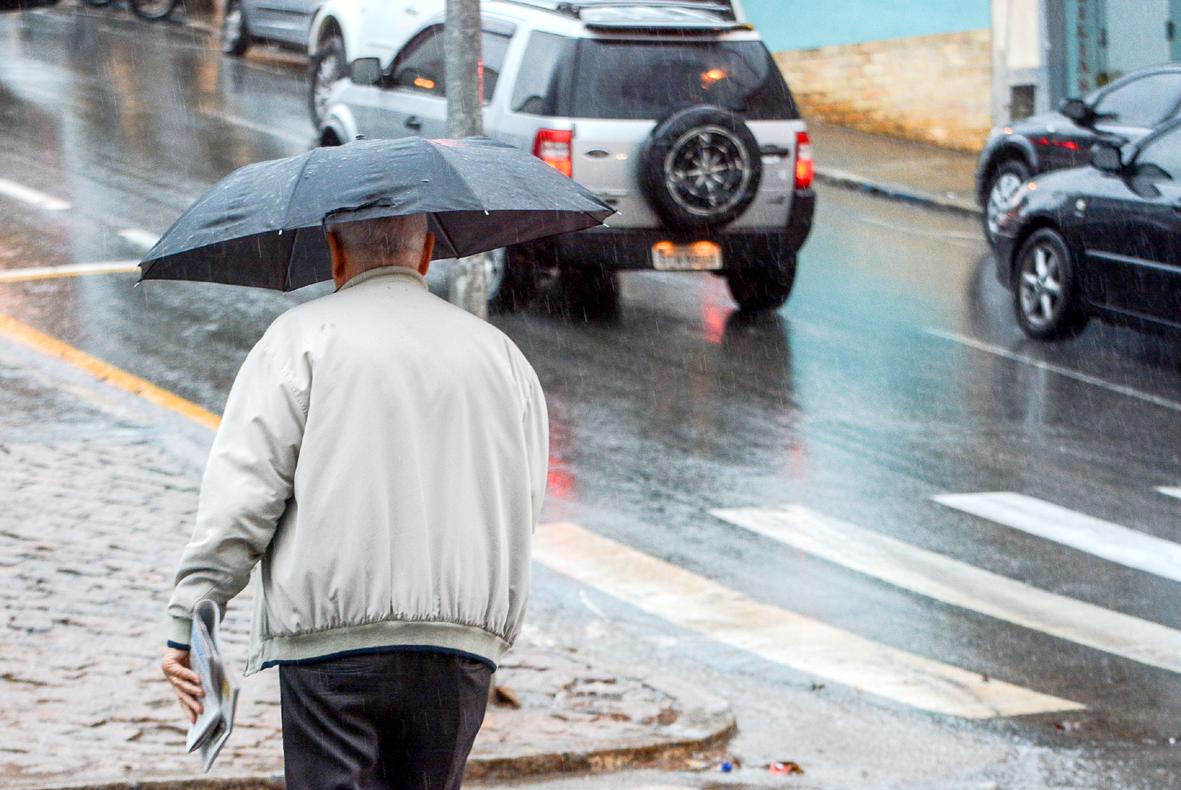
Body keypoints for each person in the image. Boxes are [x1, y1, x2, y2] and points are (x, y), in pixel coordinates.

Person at [160, 213, 549, 789]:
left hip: (331, 646)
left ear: (334, 251)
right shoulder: (502, 356)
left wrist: (191, 617)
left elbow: (243, 497)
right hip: (458, 646)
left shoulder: (300, 341)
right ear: (427, 253)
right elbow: (523, 499)